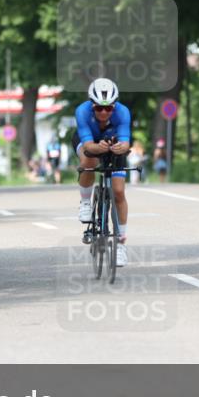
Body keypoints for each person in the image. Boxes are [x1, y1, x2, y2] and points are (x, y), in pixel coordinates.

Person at [74, 78, 131, 268]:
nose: (104, 112)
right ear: (92, 105)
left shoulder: (123, 113)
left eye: (109, 108)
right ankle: (85, 202)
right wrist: (98, 148)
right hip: (89, 141)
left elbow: (126, 143)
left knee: (119, 192)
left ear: (115, 106)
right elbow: (89, 145)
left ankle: (121, 245)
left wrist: (120, 149)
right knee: (88, 160)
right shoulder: (82, 112)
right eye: (99, 108)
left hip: (112, 143)